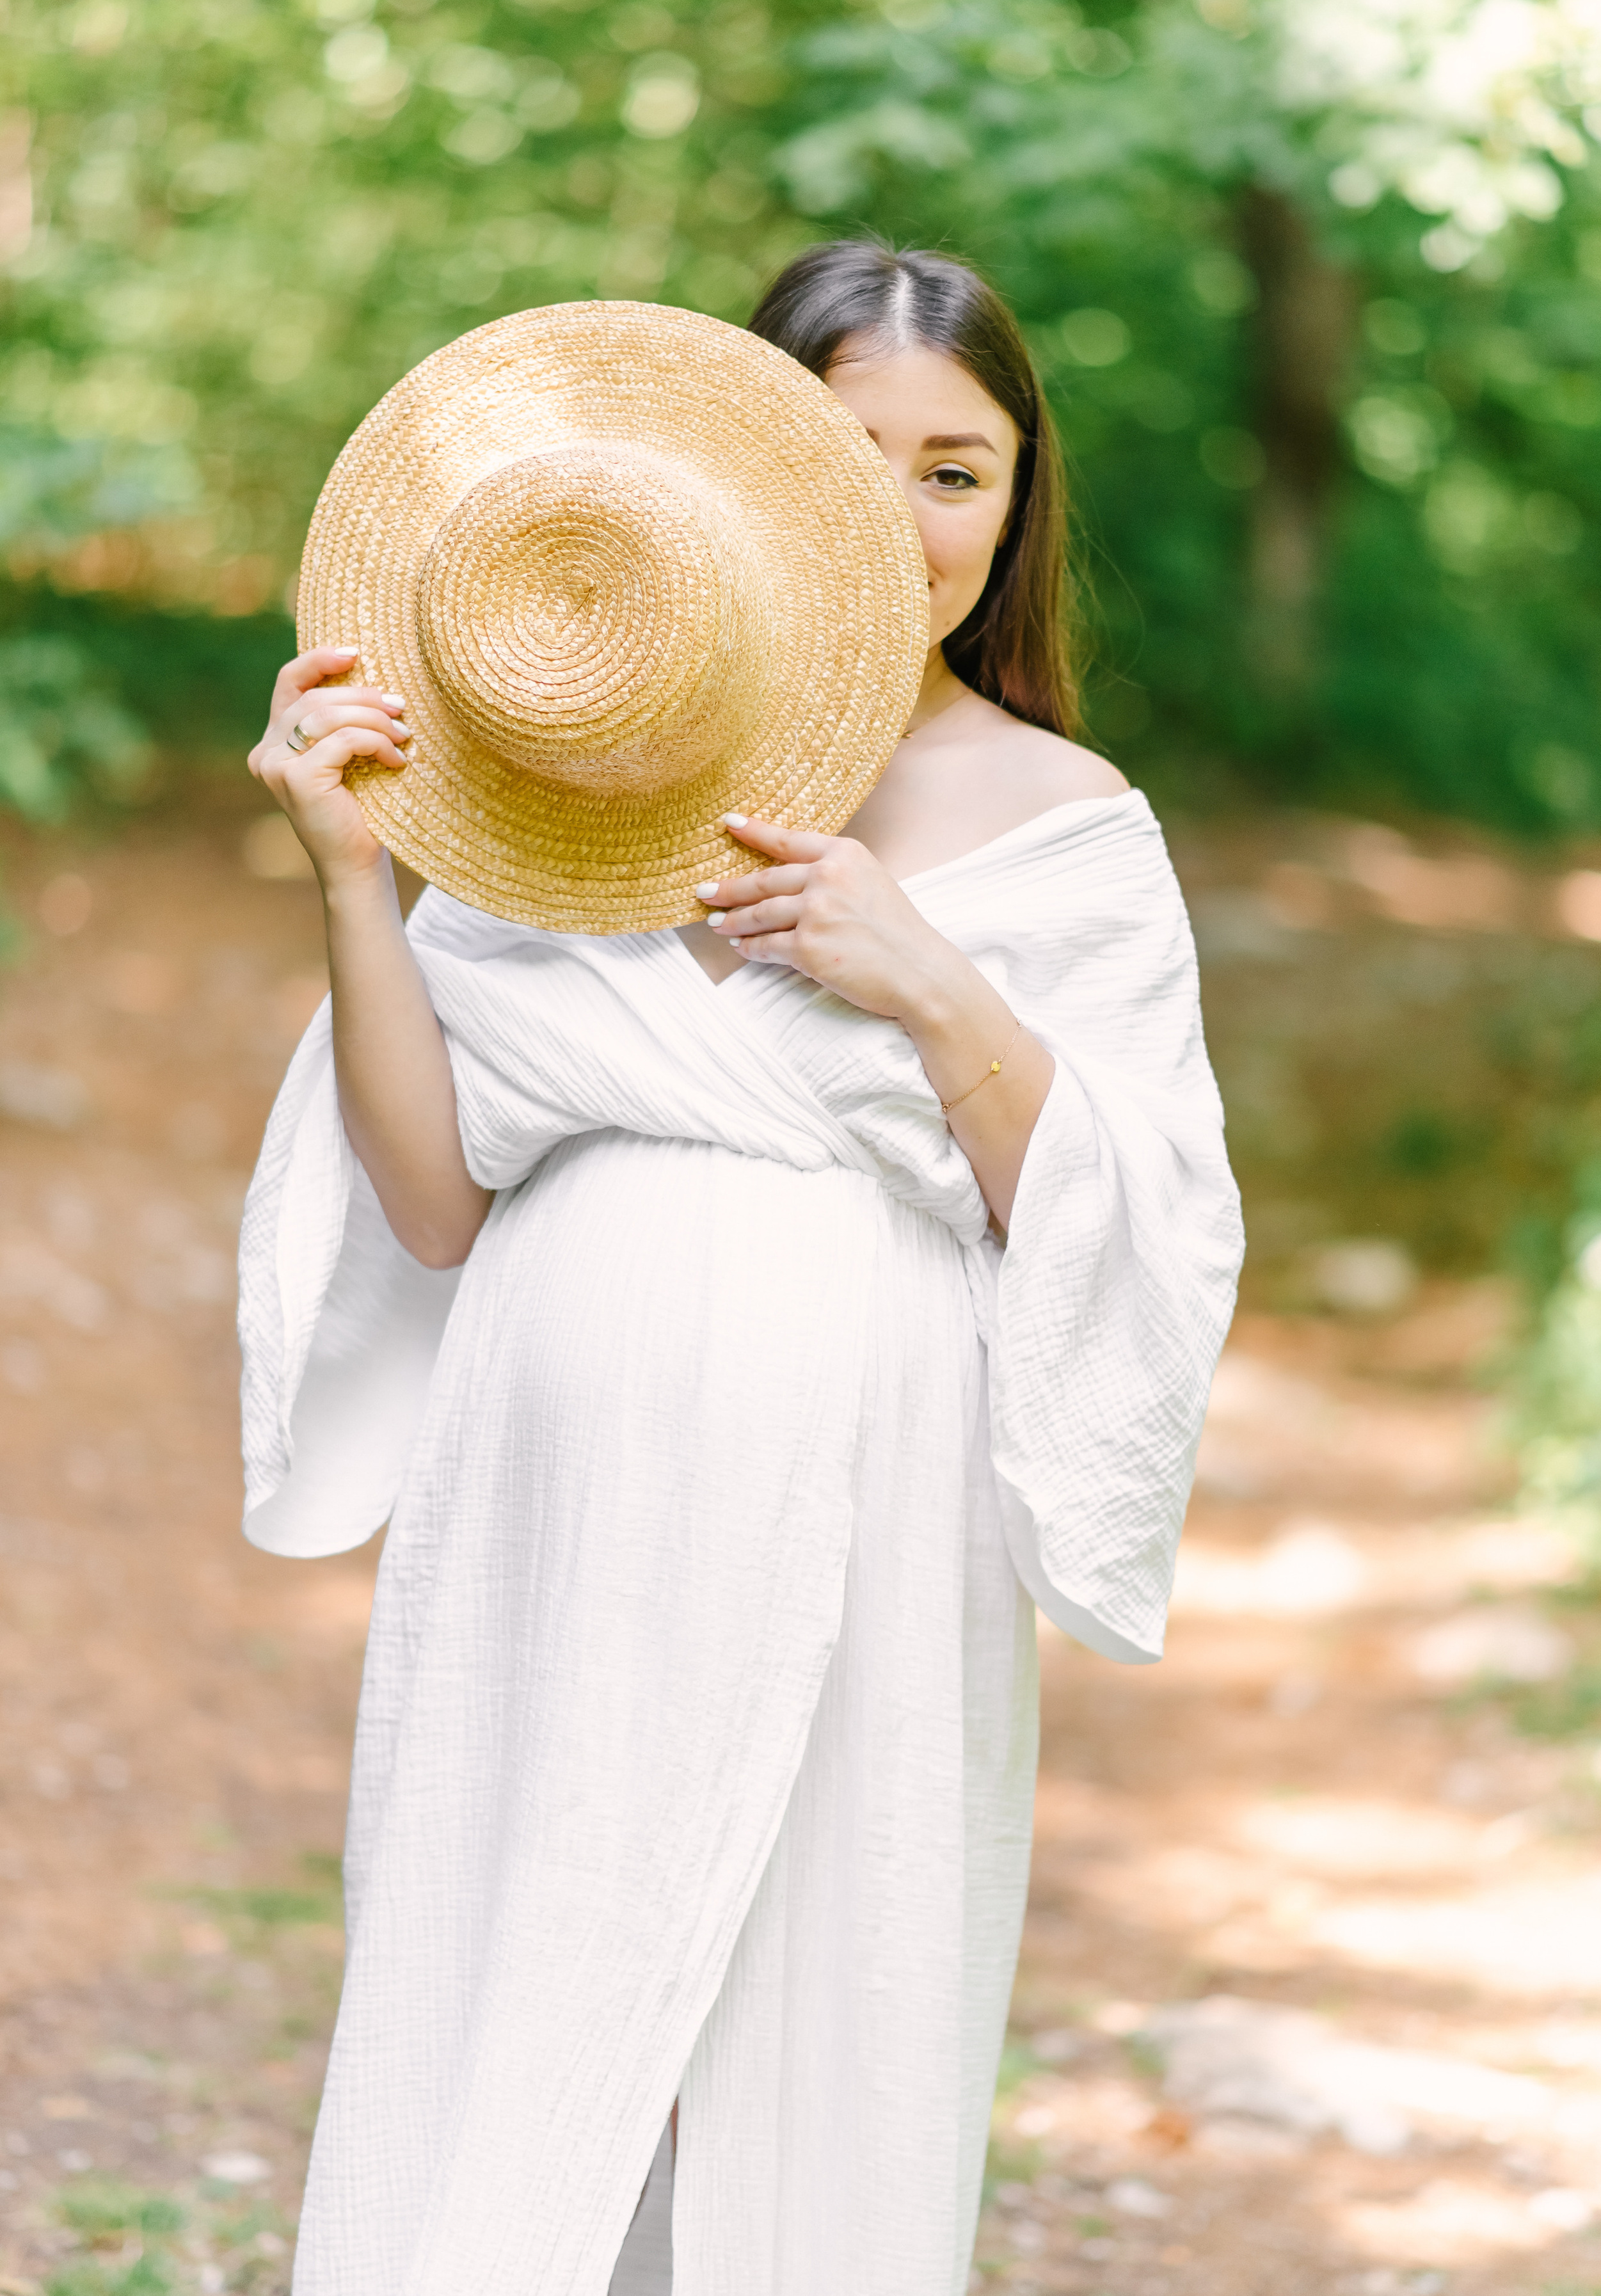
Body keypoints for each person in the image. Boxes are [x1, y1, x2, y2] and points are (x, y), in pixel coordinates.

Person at [238, 241, 1242, 2296]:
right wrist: (360, 878)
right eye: (845, 453)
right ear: (741, 473)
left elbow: (1136, 1225)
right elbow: (431, 1203)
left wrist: (936, 989)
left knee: (818, 2004)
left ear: (1018, 501)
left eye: (957, 470)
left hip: (873, 1498)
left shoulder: (1069, 827)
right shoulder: (554, 791)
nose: (904, 516)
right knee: (518, 1995)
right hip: (554, 1496)